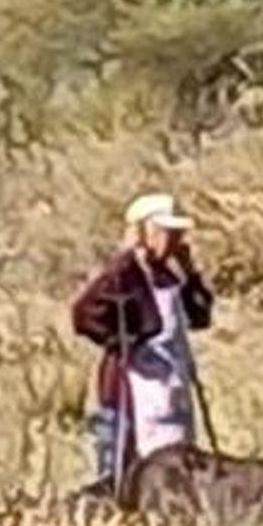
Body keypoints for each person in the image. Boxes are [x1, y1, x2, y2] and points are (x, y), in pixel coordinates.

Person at [69, 191, 214, 494]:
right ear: (145, 231)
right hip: (134, 393)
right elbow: (84, 313)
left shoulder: (171, 277)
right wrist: (122, 340)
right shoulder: (124, 276)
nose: (173, 241)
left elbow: (200, 314)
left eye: (176, 234)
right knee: (128, 475)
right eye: (165, 232)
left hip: (171, 393)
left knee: (176, 474)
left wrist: (190, 273)